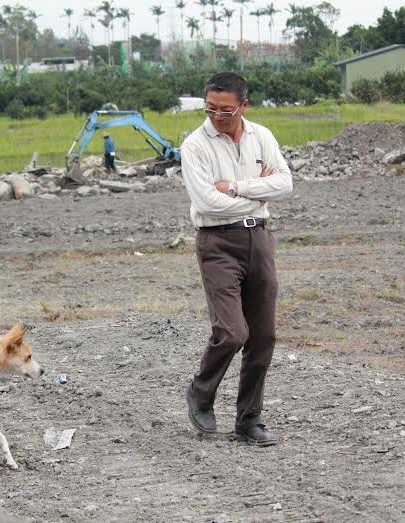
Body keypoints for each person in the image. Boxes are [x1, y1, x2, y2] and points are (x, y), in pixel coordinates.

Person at [181, 72, 293, 447]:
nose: (217, 116)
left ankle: (249, 421)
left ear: (244, 105)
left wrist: (236, 188)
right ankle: (200, 391)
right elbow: (206, 201)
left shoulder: (262, 136)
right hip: (218, 243)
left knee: (263, 337)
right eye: (210, 108)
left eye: (226, 109)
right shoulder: (195, 145)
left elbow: (286, 183)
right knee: (232, 331)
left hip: (259, 240)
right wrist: (259, 195)